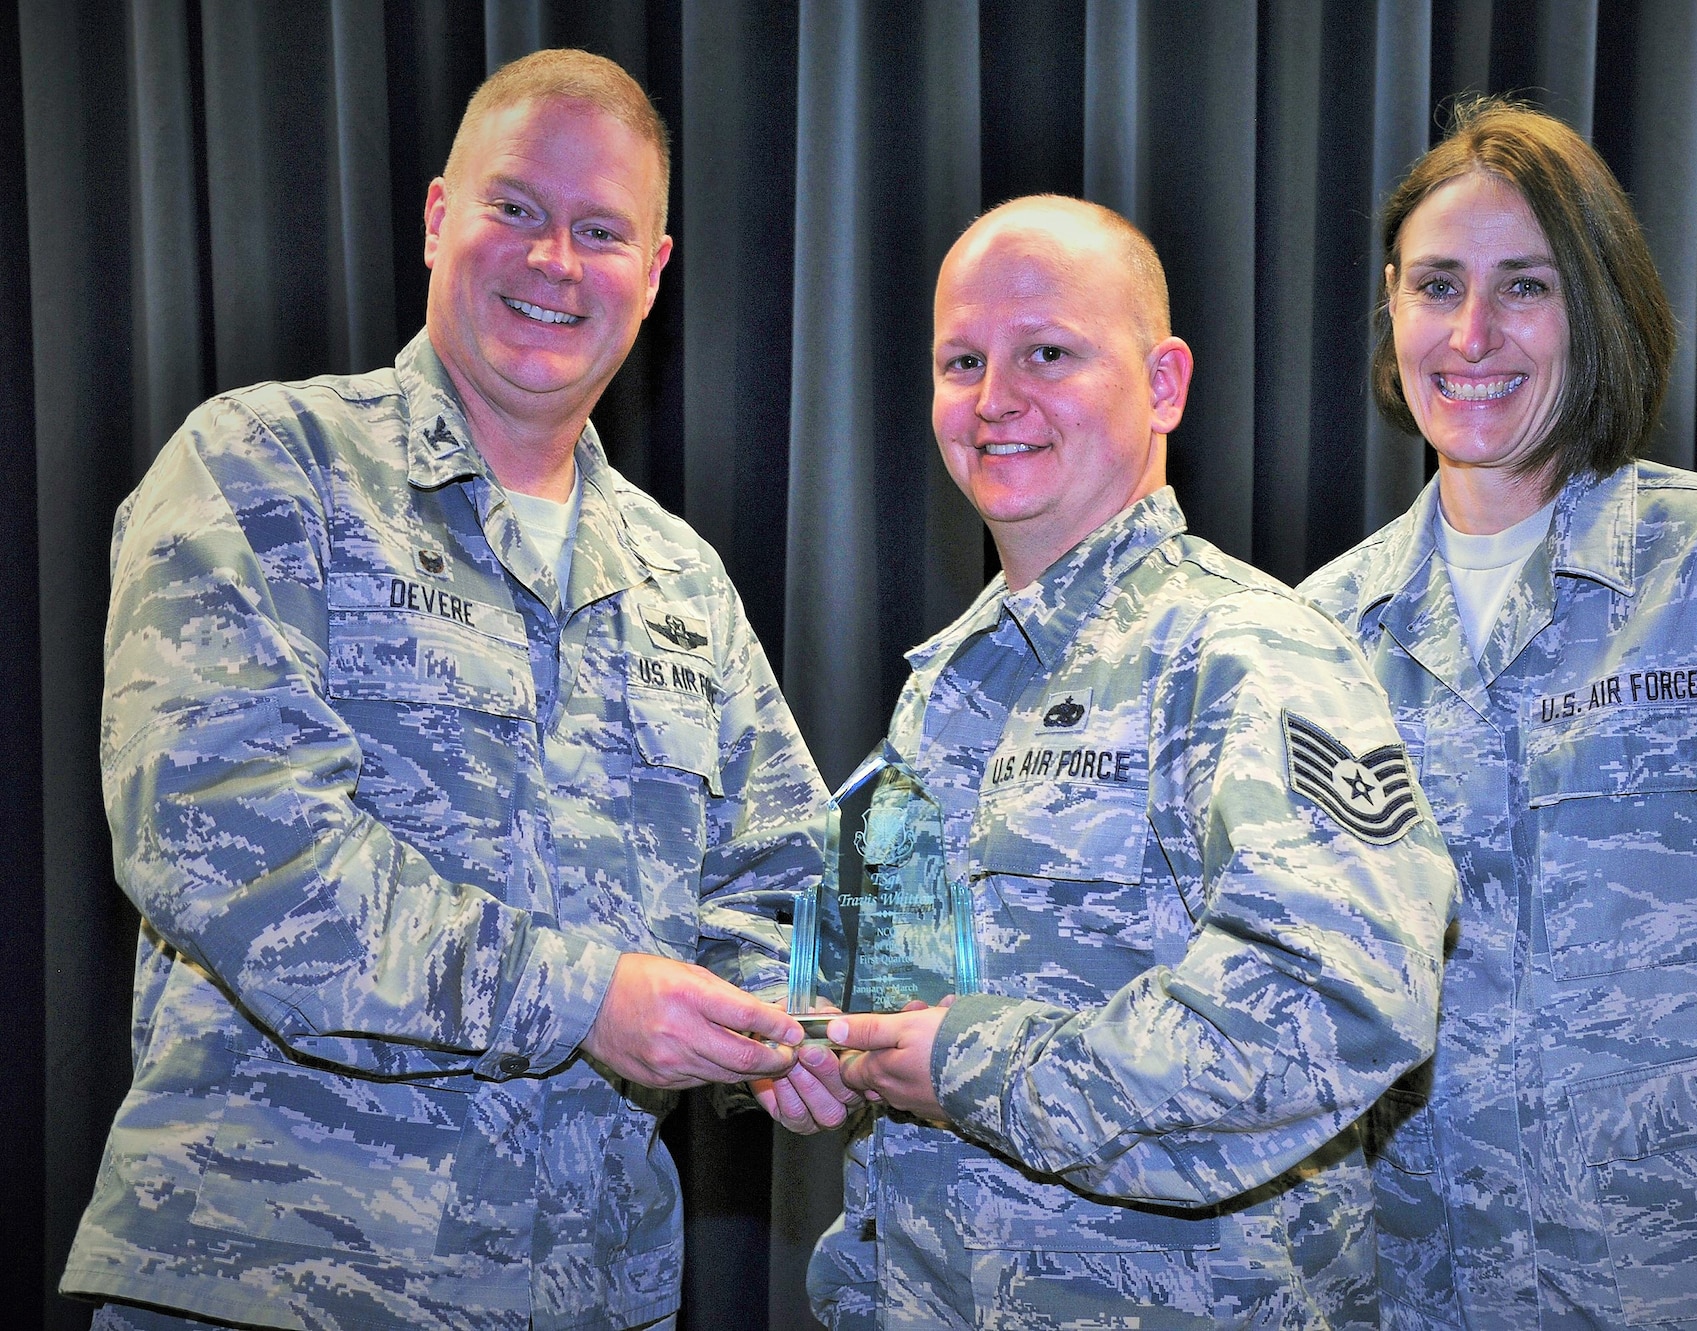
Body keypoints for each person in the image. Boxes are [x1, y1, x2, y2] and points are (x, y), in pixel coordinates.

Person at [61, 49, 853, 1331]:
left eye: (601, 231)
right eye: (517, 209)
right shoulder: (264, 466)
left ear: (653, 274)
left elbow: (777, 889)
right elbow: (230, 840)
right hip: (268, 1278)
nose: (554, 262)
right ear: (438, 217)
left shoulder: (679, 580)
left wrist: (793, 1038)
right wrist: (587, 997)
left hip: (587, 1297)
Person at [1297, 99, 1697, 1330]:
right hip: (1433, 1292)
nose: (1472, 333)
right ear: (1390, 306)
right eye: (1436, 285)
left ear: (1593, 305)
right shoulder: (1320, 633)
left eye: (1525, 286)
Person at [804, 195, 1459, 1331]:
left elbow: (1334, 1001)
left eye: (1047, 352)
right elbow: (905, 1023)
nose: (995, 397)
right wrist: (831, 1048)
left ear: (1162, 383)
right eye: (961, 360)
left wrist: (969, 1063)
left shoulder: (1244, 652)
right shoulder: (944, 684)